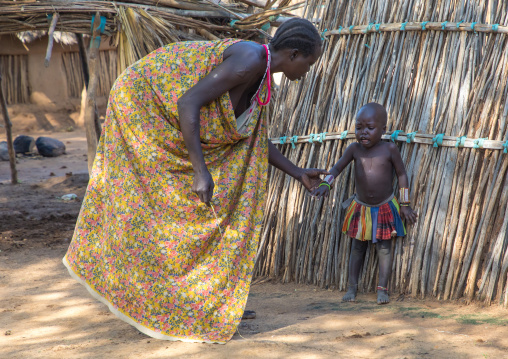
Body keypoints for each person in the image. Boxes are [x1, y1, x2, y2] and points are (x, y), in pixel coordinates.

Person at [63, 18, 327, 344]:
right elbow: (188, 101)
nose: (308, 71)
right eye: (309, 63)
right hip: (142, 102)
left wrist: (298, 172)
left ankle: (212, 301)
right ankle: (151, 297)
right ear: (295, 54)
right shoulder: (250, 61)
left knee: (196, 208)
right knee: (153, 202)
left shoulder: (262, 75)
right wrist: (200, 171)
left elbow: (252, 140)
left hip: (168, 114)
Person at [311, 103, 418, 304]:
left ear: (383, 129)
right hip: (360, 208)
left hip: (385, 206)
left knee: (384, 249)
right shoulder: (353, 149)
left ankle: (382, 290)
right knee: (357, 248)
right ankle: (352, 288)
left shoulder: (389, 149)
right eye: (359, 128)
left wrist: (405, 204)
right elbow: (336, 169)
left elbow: (402, 174)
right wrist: (326, 184)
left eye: (369, 127)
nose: (363, 133)